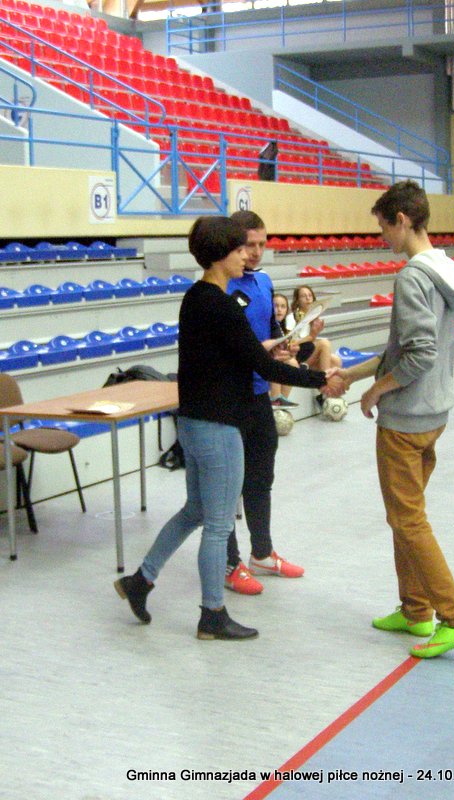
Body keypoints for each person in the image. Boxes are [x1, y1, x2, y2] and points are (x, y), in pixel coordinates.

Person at [114, 216, 342, 640]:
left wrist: (278, 348)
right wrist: (319, 379)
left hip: (194, 421)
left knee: (195, 512)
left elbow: (242, 351)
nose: (247, 257)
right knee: (218, 525)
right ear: (221, 254)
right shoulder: (221, 305)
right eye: (240, 250)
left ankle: (140, 581)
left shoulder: (198, 297)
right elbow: (261, 366)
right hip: (218, 426)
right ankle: (212, 614)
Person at [338, 180, 454, 658]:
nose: (382, 237)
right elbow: (402, 350)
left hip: (404, 420)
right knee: (405, 516)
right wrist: (353, 374)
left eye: (383, 227)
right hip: (433, 412)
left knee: (409, 519)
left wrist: (376, 389)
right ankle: (416, 609)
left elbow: (419, 354)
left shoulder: (412, 278)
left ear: (401, 220)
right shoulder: (447, 269)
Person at [224, 211, 309, 595]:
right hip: (229, 397)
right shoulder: (221, 286)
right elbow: (229, 347)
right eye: (250, 245)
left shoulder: (263, 281)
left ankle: (261, 553)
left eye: (263, 244)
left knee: (261, 478)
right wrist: (263, 350)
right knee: (228, 487)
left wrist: (285, 346)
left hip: (260, 394)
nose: (257, 252)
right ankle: (229, 562)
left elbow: (271, 331)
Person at [269, 293, 300, 407]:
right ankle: (276, 398)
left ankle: (282, 399)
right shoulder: (268, 325)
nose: (279, 310)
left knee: (292, 363)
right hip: (263, 360)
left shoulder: (281, 327)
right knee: (281, 361)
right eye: (275, 306)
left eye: (283, 306)